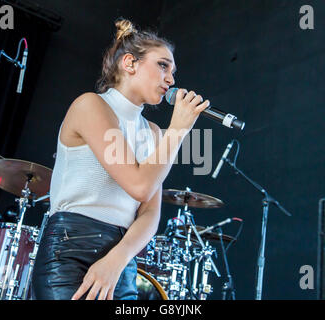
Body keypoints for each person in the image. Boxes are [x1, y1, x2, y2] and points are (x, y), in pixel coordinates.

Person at [31, 18, 210, 300]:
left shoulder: (151, 132)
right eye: (163, 65)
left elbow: (150, 211)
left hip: (122, 259)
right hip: (71, 250)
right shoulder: (90, 105)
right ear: (130, 63)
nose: (171, 79)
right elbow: (138, 186)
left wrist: (118, 259)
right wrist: (177, 131)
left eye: (173, 71)